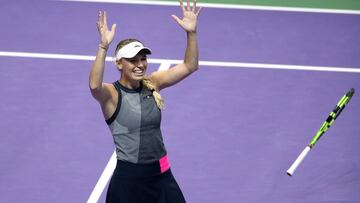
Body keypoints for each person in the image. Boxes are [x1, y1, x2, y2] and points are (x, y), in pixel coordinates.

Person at [89, 0, 201, 202]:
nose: (140, 65)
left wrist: (191, 33)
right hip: (130, 181)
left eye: (143, 59)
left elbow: (190, 66)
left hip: (162, 176)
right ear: (119, 64)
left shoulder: (153, 83)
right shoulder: (112, 94)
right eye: (133, 60)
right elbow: (94, 86)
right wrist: (103, 46)